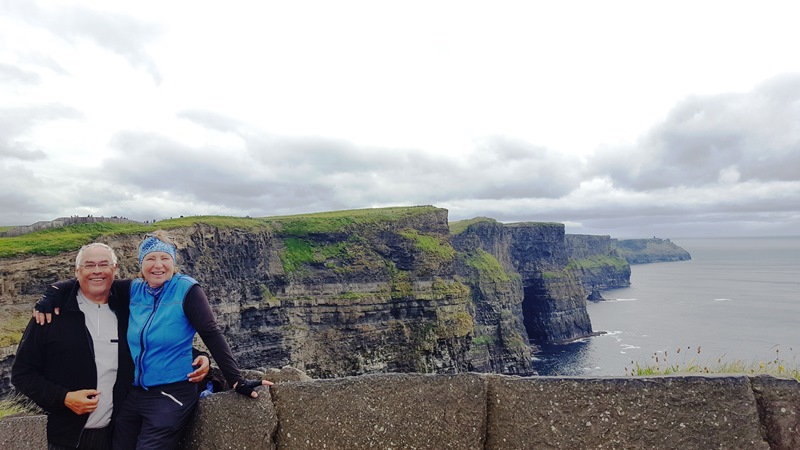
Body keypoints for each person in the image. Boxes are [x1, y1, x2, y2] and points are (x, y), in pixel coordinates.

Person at [13, 243, 210, 450]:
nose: (97, 271)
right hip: (66, 438)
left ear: (115, 269)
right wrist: (64, 398)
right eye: (89, 265)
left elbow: (152, 341)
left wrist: (198, 355)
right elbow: (22, 374)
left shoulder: (127, 309)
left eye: (104, 264)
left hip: (116, 435)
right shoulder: (52, 316)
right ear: (77, 271)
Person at [111, 231, 271, 449]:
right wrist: (51, 296)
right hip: (136, 393)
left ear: (173, 262)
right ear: (141, 264)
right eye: (150, 258)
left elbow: (211, 333)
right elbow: (91, 281)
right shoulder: (134, 290)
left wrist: (236, 380)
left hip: (171, 392)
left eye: (165, 258)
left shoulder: (186, 290)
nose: (158, 265)